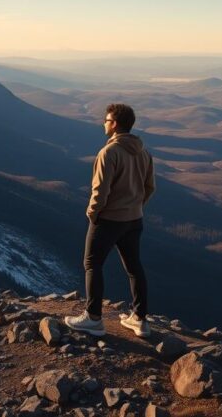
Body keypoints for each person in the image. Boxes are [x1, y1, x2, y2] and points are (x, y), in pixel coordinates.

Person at [64, 103, 155, 337]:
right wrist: (135, 206)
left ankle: (93, 318)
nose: (103, 123)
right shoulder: (144, 152)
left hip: (109, 220)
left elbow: (100, 191)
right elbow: (149, 187)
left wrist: (93, 214)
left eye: (106, 120)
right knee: (134, 268)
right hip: (135, 219)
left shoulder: (109, 152)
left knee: (92, 264)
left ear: (114, 124)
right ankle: (140, 319)